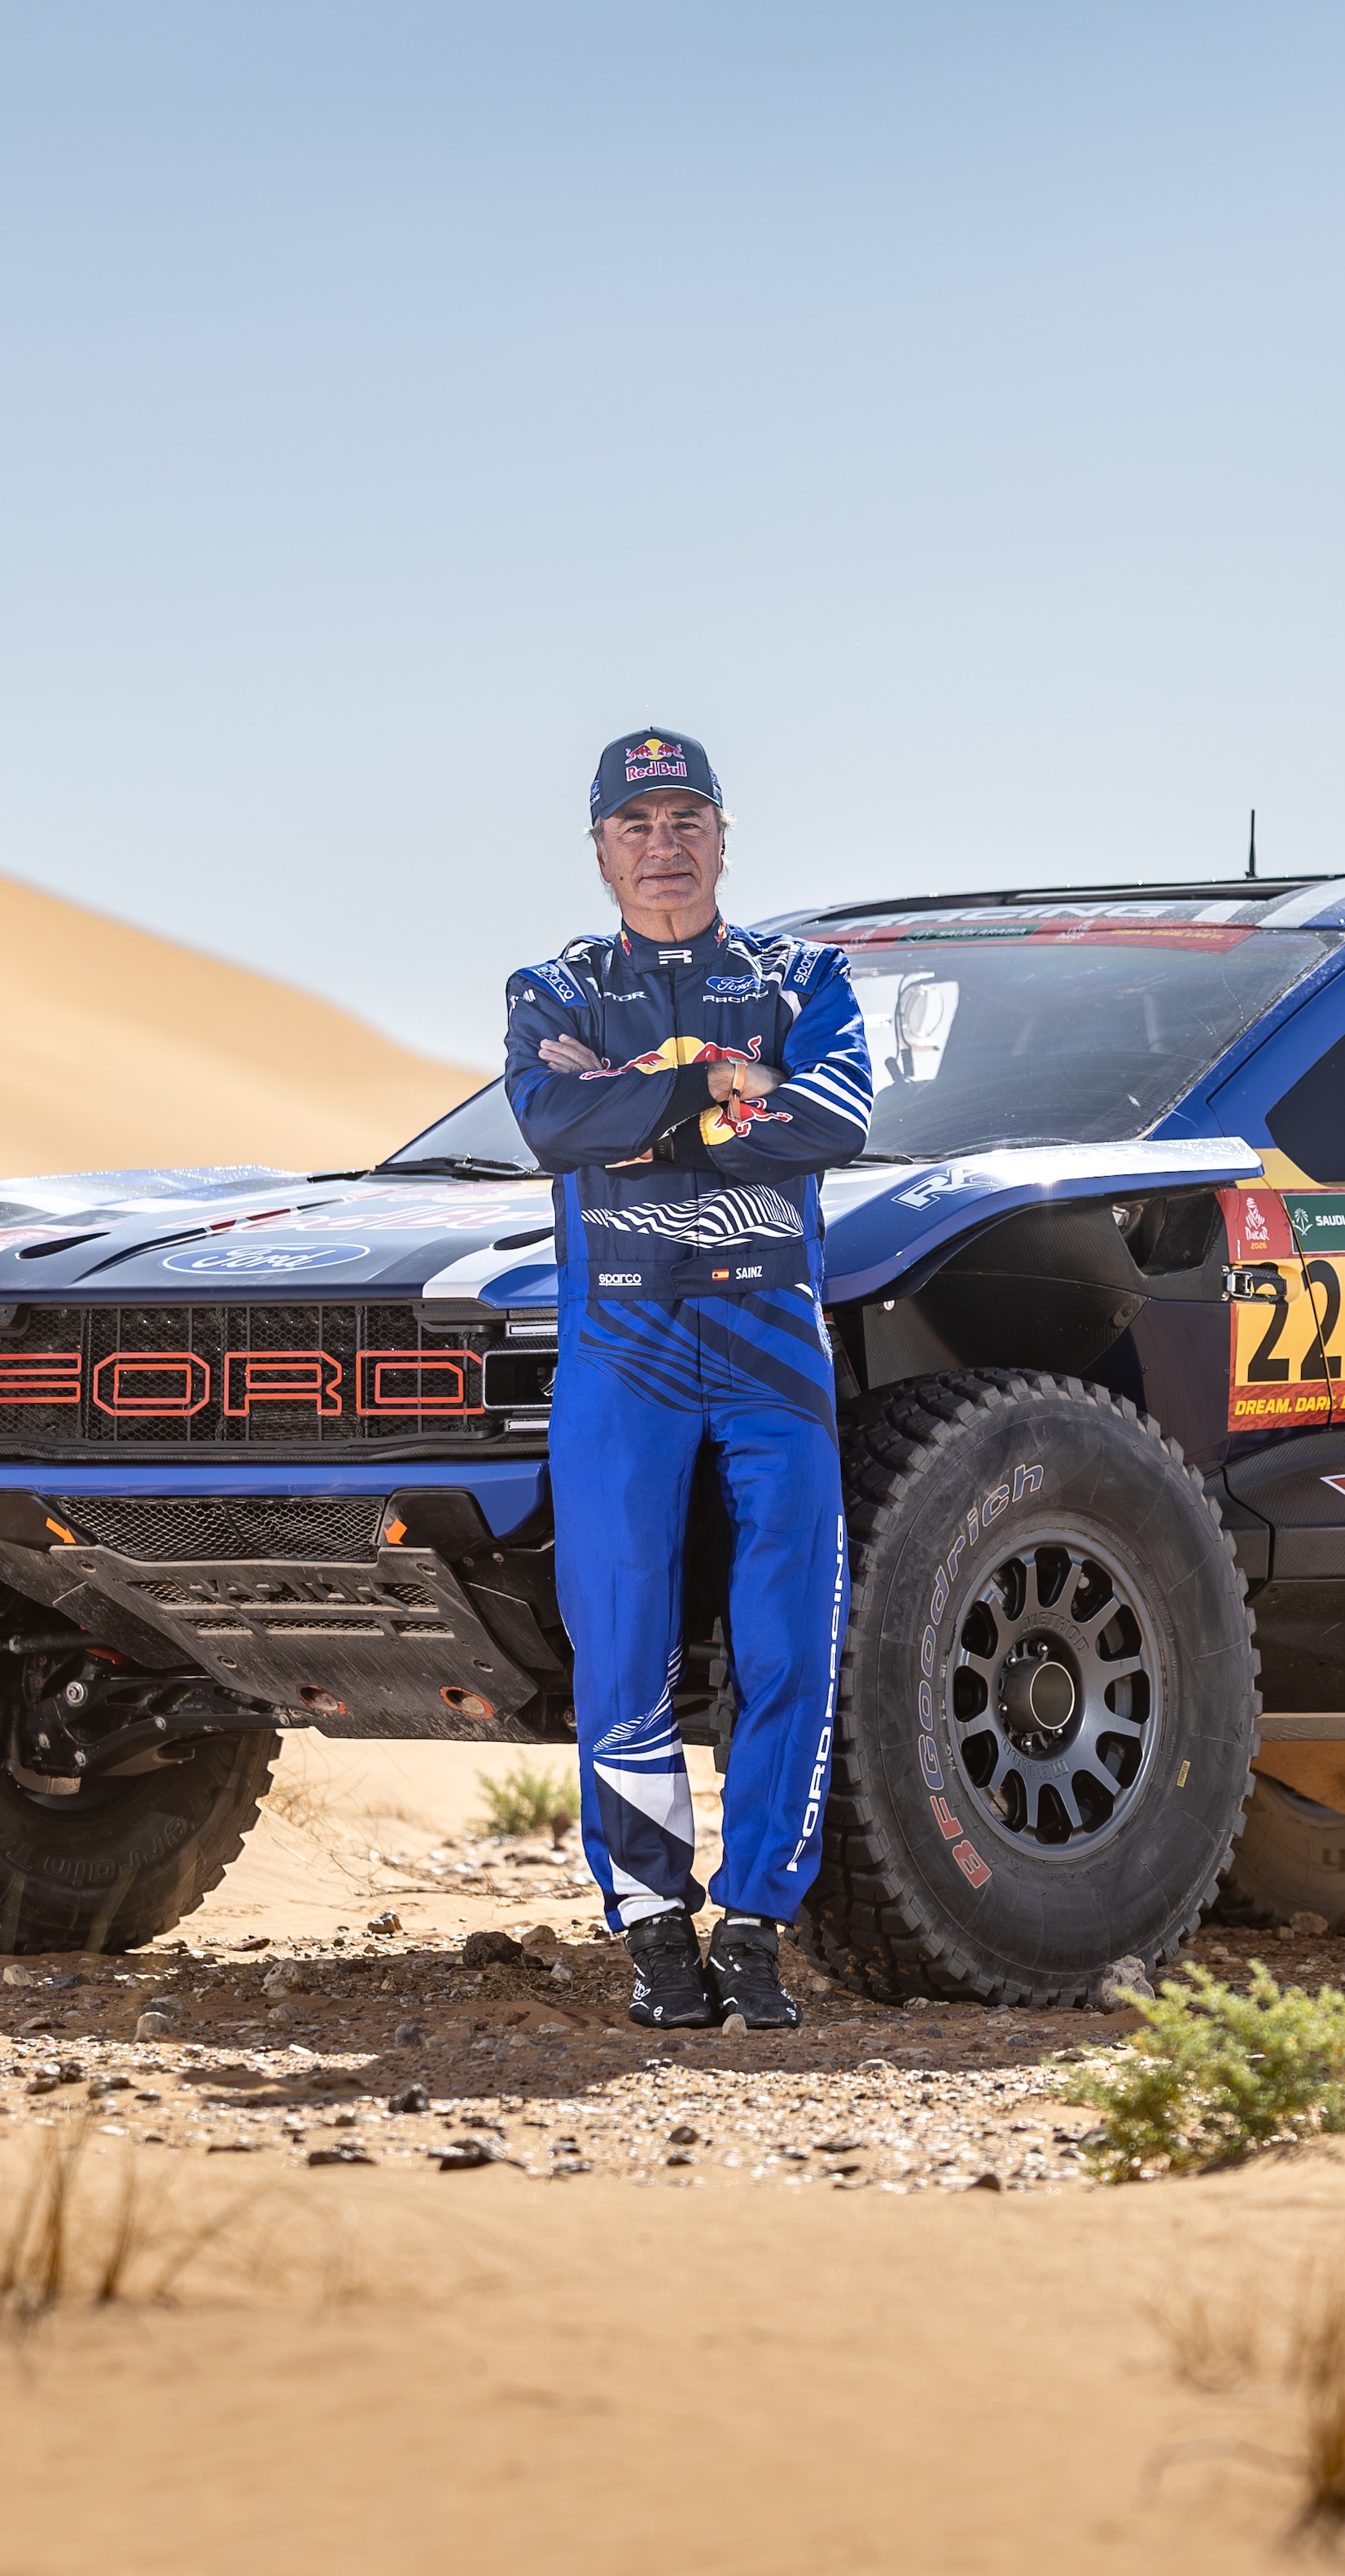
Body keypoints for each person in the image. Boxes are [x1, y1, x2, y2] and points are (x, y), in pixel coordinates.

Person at [504, 730, 871, 2031]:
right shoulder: (555, 986)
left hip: (775, 1353)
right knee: (624, 1648)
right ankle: (652, 1922)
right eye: (636, 826)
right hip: (623, 1354)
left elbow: (840, 1119)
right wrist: (717, 1089)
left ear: (723, 836)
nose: (663, 848)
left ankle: (758, 1920)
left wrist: (638, 1097)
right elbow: (551, 1126)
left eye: (685, 821)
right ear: (600, 849)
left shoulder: (806, 973)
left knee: (788, 1644)